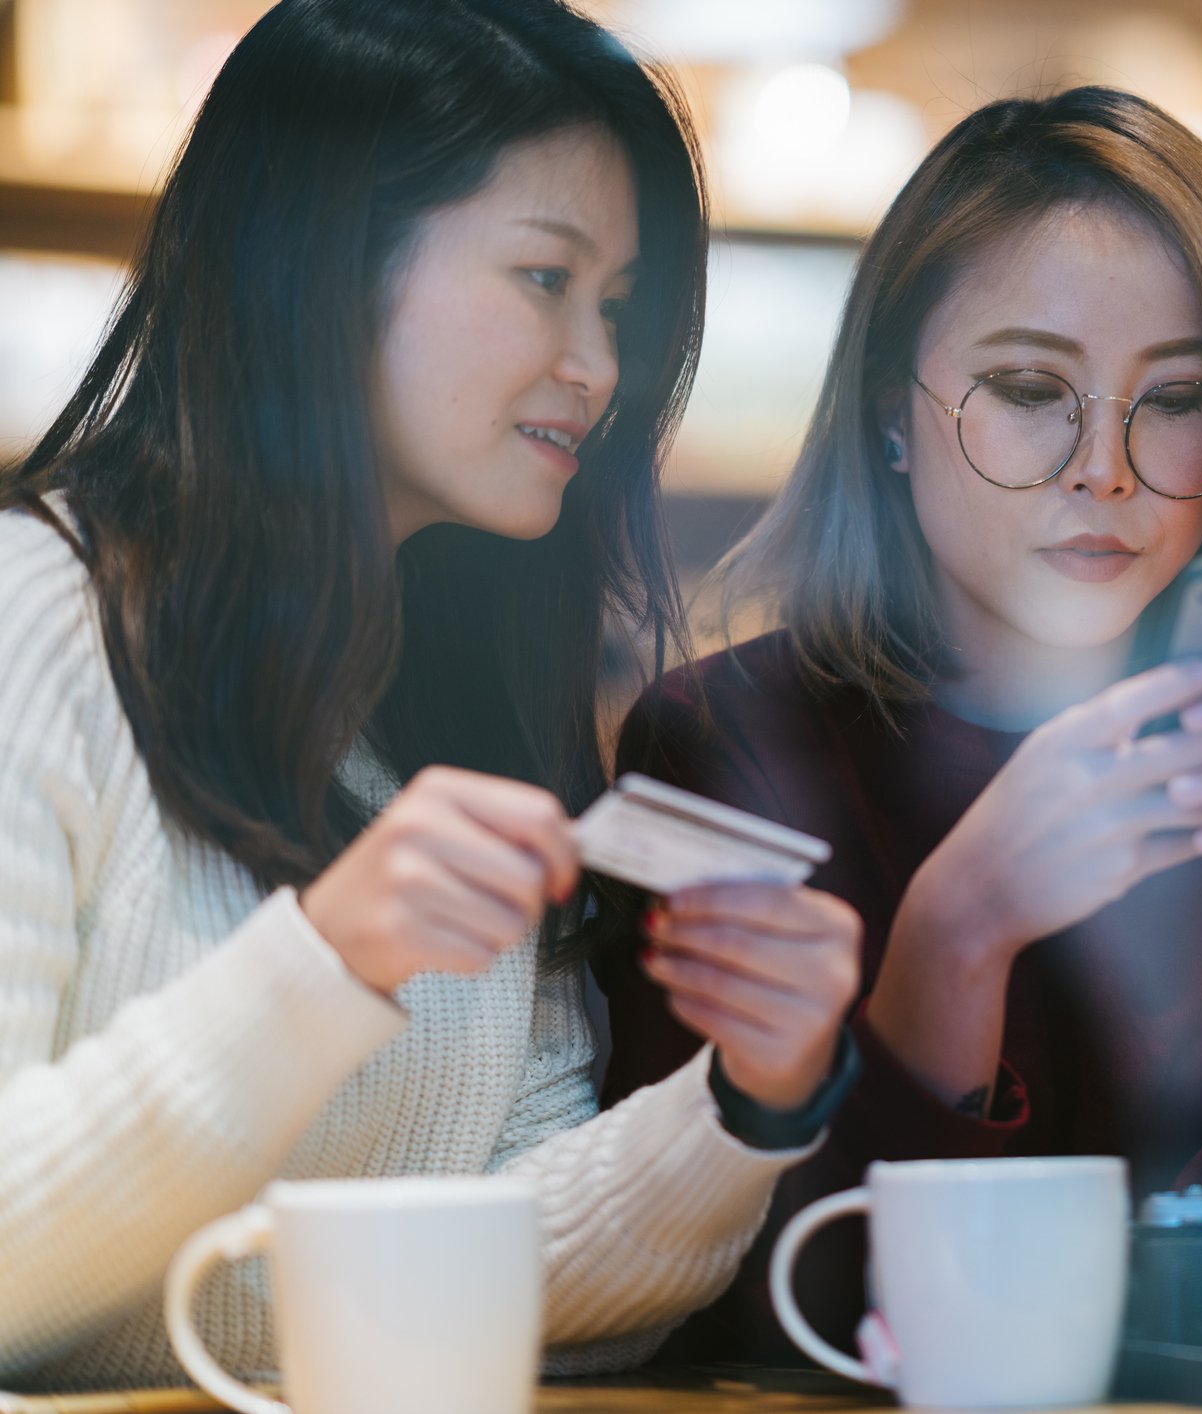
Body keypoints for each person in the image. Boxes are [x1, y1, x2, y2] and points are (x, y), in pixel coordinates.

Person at [0, 0, 860, 1391]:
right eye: (544, 276)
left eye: (617, 307)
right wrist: (324, 963)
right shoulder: (34, 616)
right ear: (321, 258)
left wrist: (749, 1098)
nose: (599, 367)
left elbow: (503, 1265)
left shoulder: (452, 690)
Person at [596, 86, 1202, 1364]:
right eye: (1029, 387)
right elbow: (729, 1300)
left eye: (1175, 398)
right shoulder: (727, 742)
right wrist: (956, 933)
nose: (1103, 470)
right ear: (889, 416)